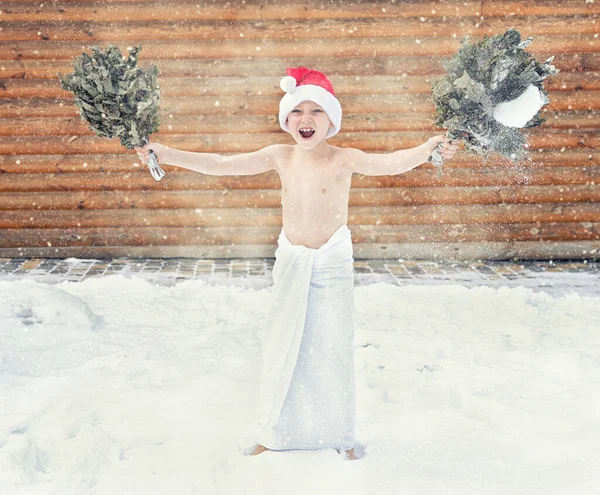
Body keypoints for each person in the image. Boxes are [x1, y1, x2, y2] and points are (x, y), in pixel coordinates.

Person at [135, 67, 458, 461]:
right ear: (286, 120)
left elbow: (390, 163)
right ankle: (275, 432)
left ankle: (340, 435)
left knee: (331, 349)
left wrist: (428, 149)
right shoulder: (280, 156)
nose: (306, 120)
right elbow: (221, 163)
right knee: (284, 345)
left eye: (316, 112)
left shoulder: (345, 158)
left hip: (331, 266)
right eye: (298, 112)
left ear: (331, 120)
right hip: (292, 264)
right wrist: (166, 153)